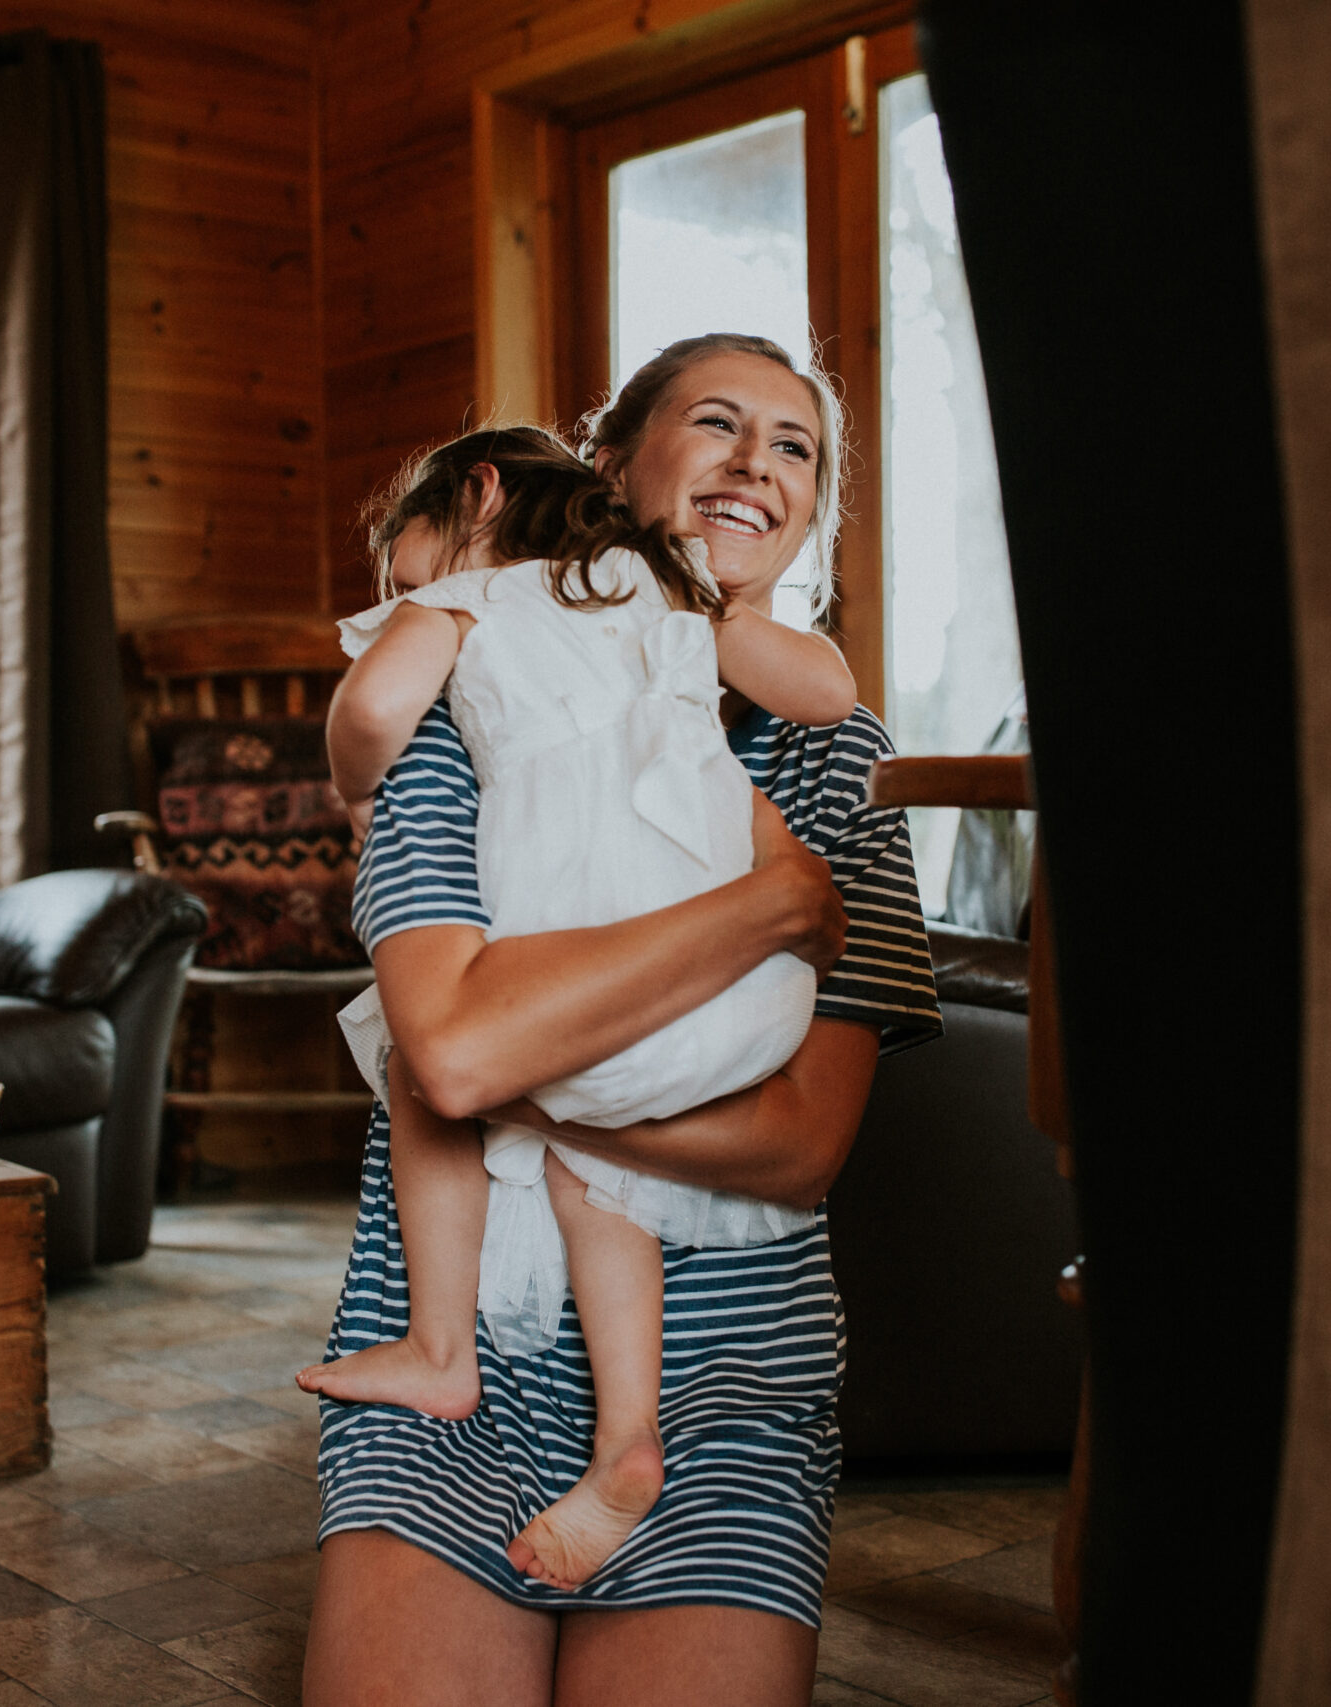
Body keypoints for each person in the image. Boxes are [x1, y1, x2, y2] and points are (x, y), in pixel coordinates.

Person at [302, 334, 942, 1706]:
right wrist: (771, 905)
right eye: (715, 424)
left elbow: (797, 1142)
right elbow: (454, 1048)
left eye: (794, 446)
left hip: (727, 1389)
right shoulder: (469, 686)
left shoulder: (846, 759)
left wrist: (519, 1068)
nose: (755, 465)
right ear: (608, 464)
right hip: (454, 1379)